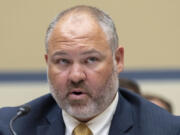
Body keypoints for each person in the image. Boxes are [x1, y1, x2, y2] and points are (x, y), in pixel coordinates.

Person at [0, 5, 180, 135]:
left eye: (91, 60)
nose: (76, 76)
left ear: (118, 60)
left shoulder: (166, 130)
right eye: (63, 61)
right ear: (48, 64)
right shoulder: (11, 127)